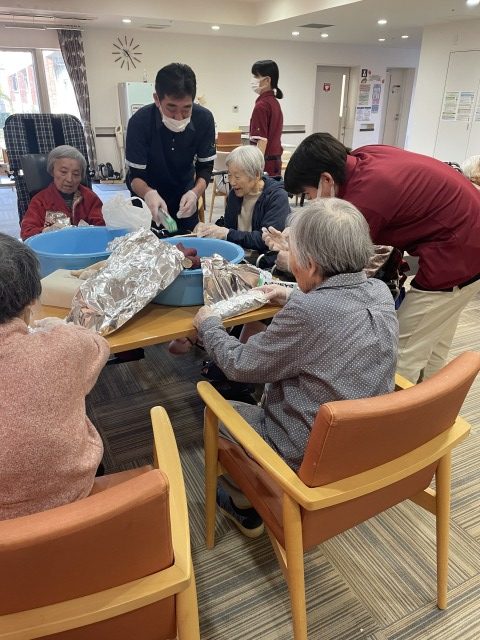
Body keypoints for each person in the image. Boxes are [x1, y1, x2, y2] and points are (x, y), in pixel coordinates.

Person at [193, 198, 398, 536]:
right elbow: (337, 304)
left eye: (292, 254)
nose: (289, 260)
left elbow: (239, 364)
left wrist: (209, 326)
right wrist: (290, 295)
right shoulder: (379, 291)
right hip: (363, 444)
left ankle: (246, 502)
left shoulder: (308, 315)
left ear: (312, 265)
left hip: (305, 454)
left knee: (215, 412)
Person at [281, 132, 480, 384]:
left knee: (403, 351)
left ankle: (400, 407)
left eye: (309, 195)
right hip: (468, 235)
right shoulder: (364, 156)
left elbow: (339, 270)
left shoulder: (365, 200)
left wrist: (292, 258)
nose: (312, 202)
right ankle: (435, 402)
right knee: (433, 340)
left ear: (326, 179)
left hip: (458, 253)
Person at [0, 233, 110, 520]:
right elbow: (99, 347)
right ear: (31, 303)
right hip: (73, 495)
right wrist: (59, 329)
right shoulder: (64, 345)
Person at [125, 62, 216, 233]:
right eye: (171, 108)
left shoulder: (204, 119)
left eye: (186, 109)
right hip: (147, 201)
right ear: (157, 99)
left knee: (187, 245)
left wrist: (195, 193)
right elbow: (135, 176)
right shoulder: (140, 122)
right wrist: (148, 193)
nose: (179, 117)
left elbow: (205, 168)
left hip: (184, 198)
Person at [195, 145, 290, 266]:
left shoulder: (276, 197)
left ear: (256, 174)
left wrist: (227, 233)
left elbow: (266, 239)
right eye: (229, 175)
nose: (232, 182)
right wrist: (211, 230)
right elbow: (229, 228)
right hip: (236, 256)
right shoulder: (235, 194)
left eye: (237, 177)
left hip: (262, 261)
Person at [20, 145, 104, 240]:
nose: (69, 179)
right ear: (52, 171)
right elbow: (26, 233)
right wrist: (46, 231)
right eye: (63, 172)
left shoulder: (90, 198)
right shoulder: (40, 201)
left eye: (76, 174)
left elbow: (102, 227)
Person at [249, 59, 284, 177]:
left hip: (265, 164)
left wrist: (256, 171)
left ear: (267, 80)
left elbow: (262, 141)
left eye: (256, 76)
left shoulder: (262, 105)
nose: (253, 79)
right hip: (275, 163)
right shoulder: (274, 102)